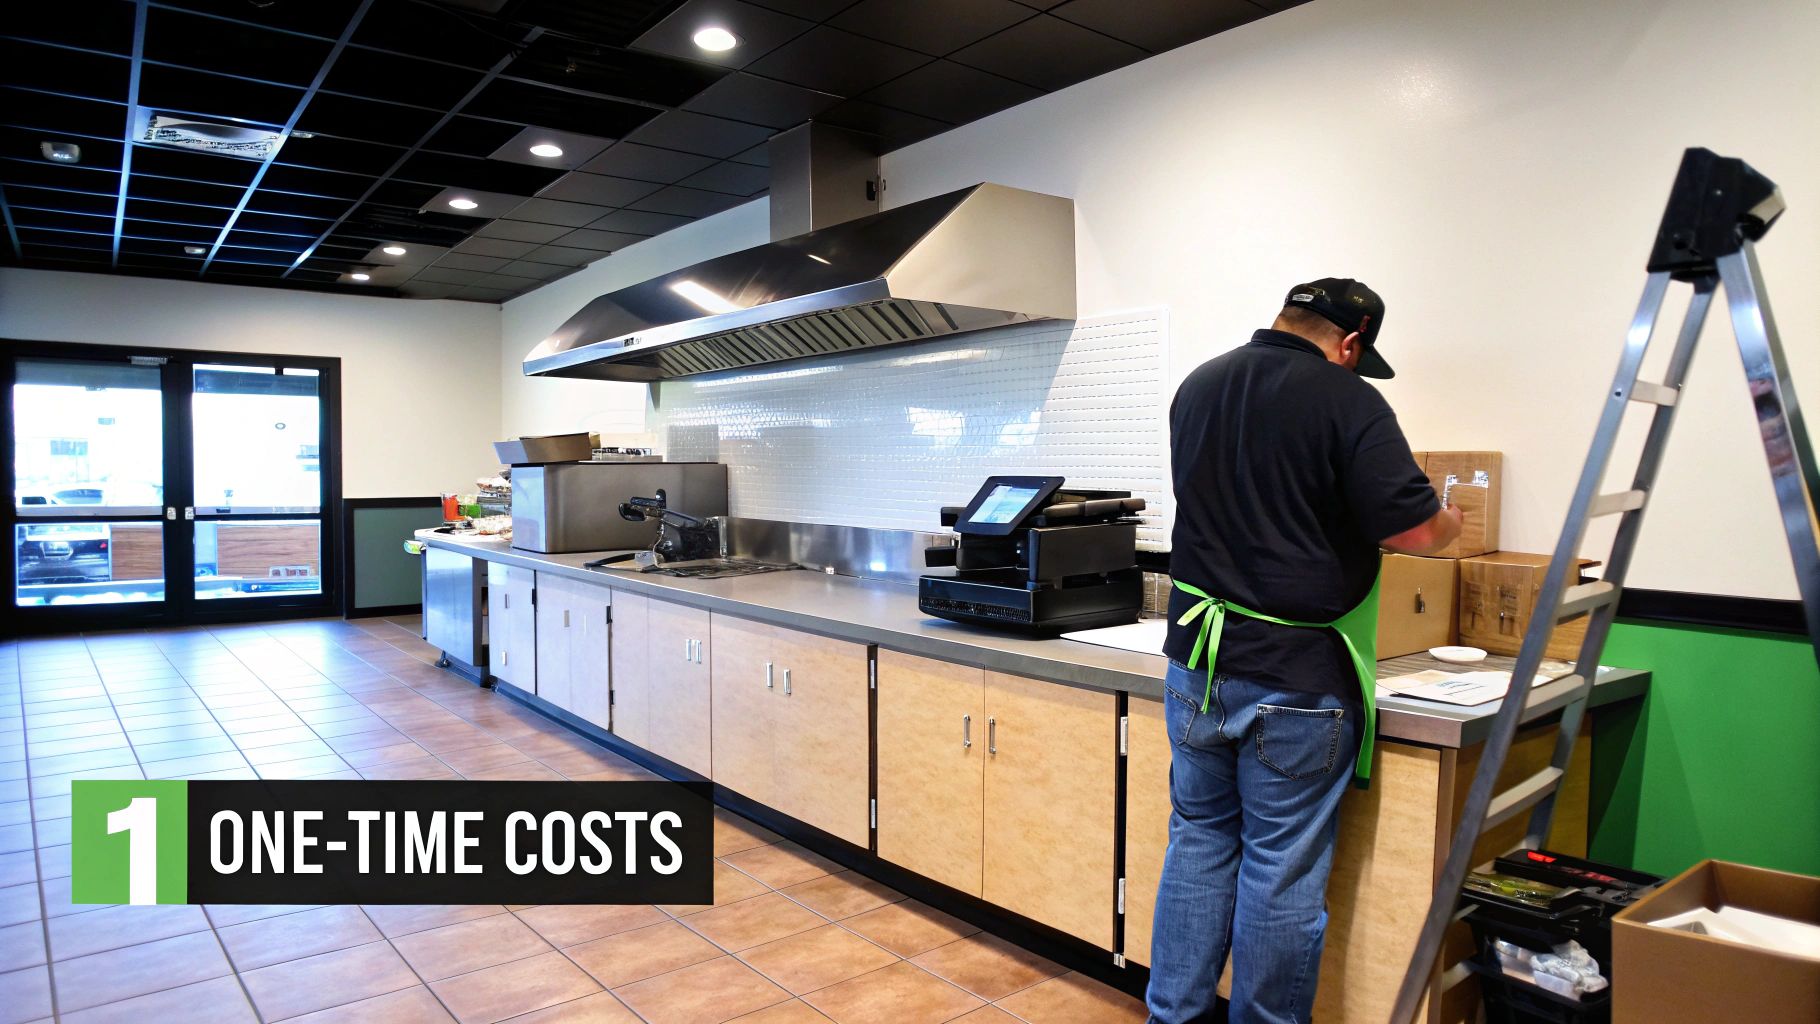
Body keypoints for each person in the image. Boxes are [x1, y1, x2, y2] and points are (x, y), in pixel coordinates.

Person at [1146, 279, 1462, 1023]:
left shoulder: (1199, 384)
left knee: (1197, 843)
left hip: (1196, 664)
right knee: (1279, 872)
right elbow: (1414, 532)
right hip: (1294, 682)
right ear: (1351, 343)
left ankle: (1172, 1017)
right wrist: (1450, 520)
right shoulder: (1348, 401)